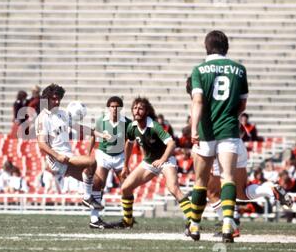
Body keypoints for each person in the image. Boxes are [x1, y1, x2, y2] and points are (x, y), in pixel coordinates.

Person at [189, 30, 249, 243]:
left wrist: (193, 128)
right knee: (228, 178)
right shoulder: (239, 70)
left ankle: (195, 226)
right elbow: (242, 105)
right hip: (229, 130)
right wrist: (228, 114)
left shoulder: (199, 69)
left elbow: (198, 101)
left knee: (201, 181)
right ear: (226, 47)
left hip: (206, 131)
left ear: (206, 47)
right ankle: (227, 225)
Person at [109, 97, 192, 229]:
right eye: (135, 108)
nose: (137, 110)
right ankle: (127, 221)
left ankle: (193, 219)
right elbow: (129, 144)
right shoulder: (132, 126)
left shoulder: (154, 125)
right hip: (149, 163)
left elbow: (172, 143)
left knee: (173, 188)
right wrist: (125, 165)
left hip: (166, 161)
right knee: (125, 188)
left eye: (140, 108)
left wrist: (163, 159)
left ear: (146, 111)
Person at [34, 83, 108, 211]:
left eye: (59, 98)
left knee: (98, 183)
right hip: (58, 160)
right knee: (91, 161)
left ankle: (95, 220)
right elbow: (41, 143)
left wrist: (98, 133)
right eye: (53, 98)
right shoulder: (42, 118)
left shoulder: (62, 113)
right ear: (46, 99)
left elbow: (77, 127)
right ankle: (86, 197)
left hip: (68, 156)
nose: (57, 101)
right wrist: (57, 156)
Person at [86, 96, 132, 229]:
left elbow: (130, 143)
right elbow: (93, 136)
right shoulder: (102, 120)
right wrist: (88, 154)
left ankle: (127, 219)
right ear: (108, 108)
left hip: (120, 156)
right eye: (112, 106)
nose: (114, 109)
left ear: (121, 108)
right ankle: (94, 219)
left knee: (127, 186)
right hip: (103, 155)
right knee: (98, 183)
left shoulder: (127, 123)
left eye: (117, 107)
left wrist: (126, 164)